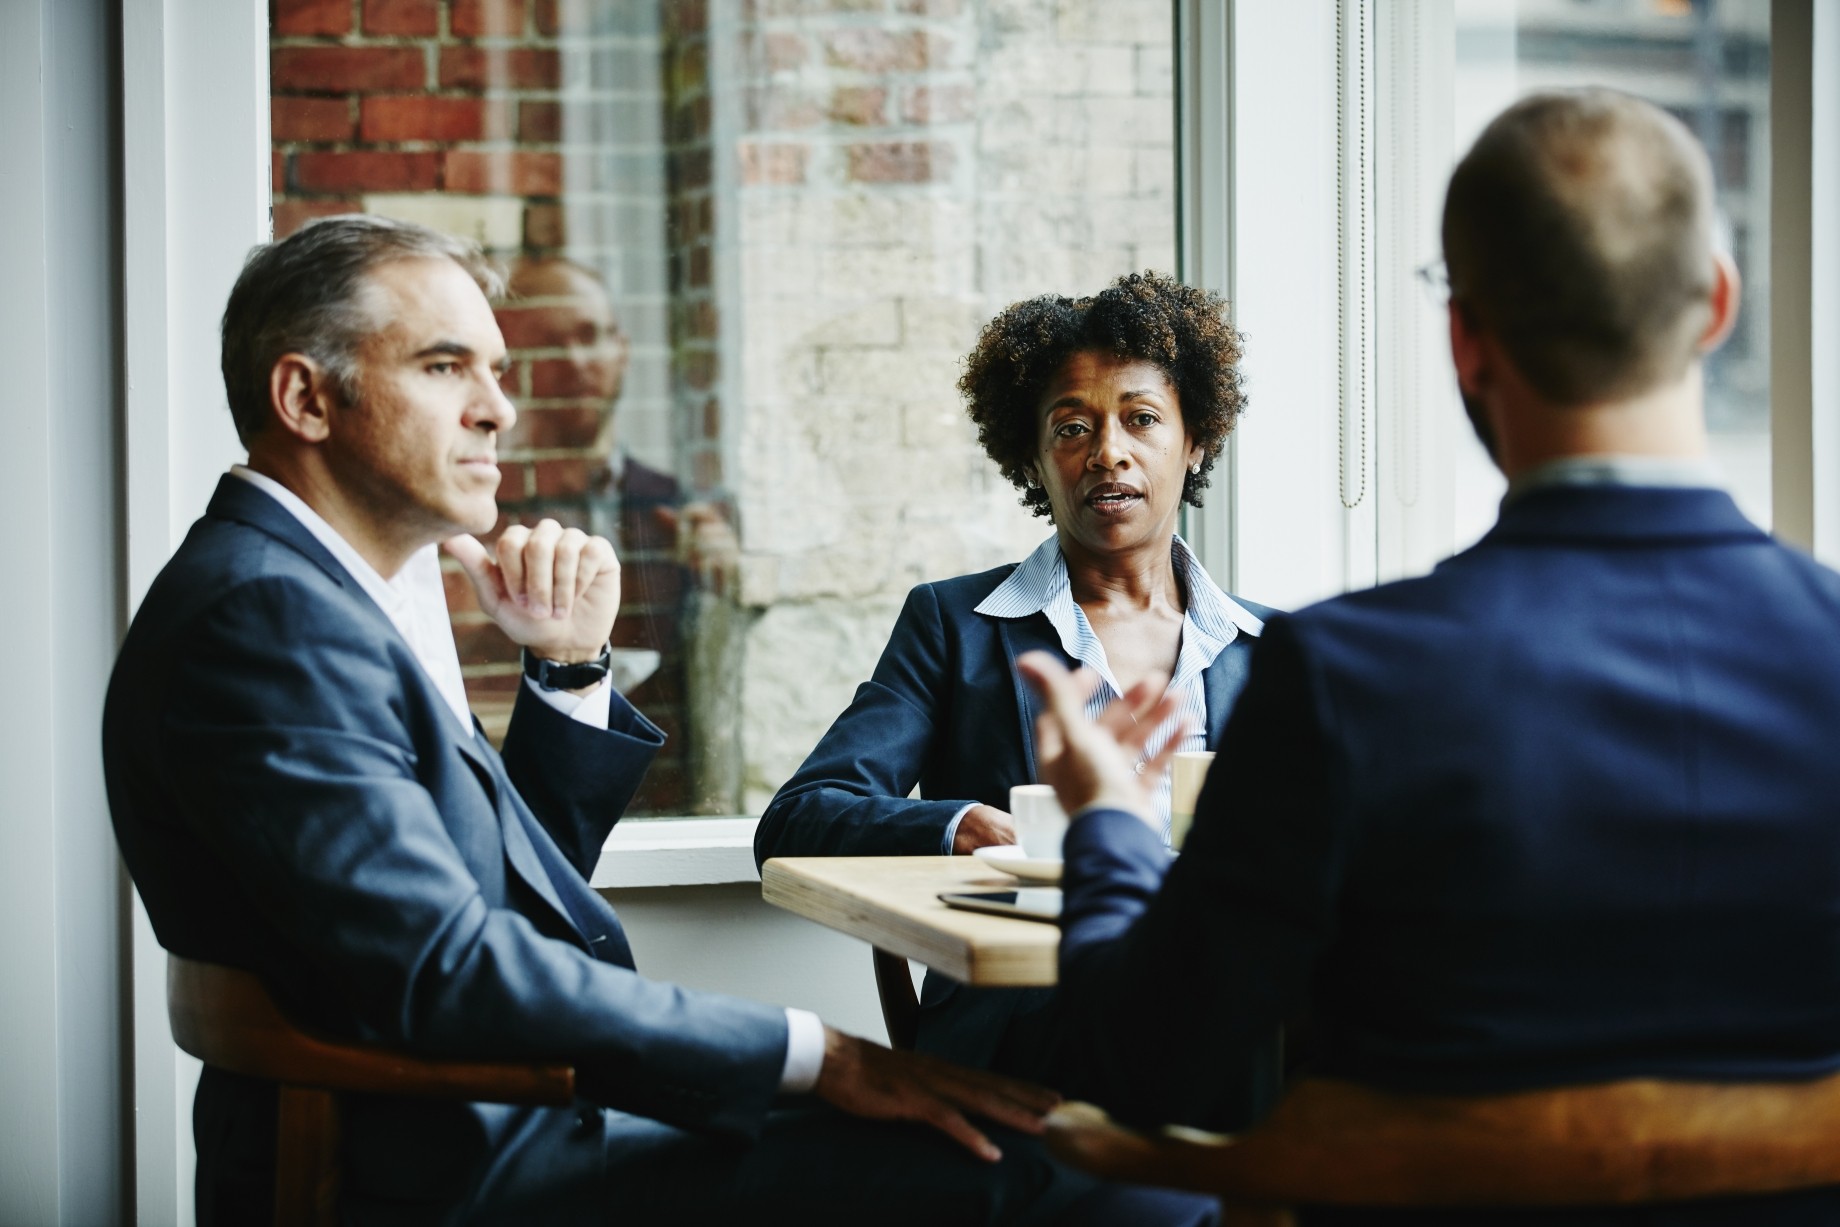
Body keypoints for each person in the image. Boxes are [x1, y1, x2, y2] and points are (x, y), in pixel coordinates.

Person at [101, 215, 1197, 1226]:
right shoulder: (269, 616)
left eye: (496, 371)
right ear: (305, 399)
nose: (499, 408)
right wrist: (822, 1056)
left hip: (506, 1123)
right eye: (445, 368)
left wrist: (569, 668)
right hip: (464, 1170)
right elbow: (451, 973)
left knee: (1058, 1142)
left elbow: (500, 904)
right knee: (1117, 1188)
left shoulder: (314, 597)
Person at [1020, 89, 1840, 1224]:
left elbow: (1147, 1068)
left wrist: (1109, 818)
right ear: (1715, 303)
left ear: (1464, 337)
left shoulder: (1341, 679)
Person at [755, 272, 1280, 1125]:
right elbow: (801, 816)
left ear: (1195, 440)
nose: (1108, 450)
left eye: (1142, 419)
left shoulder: (1274, 650)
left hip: (1224, 1016)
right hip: (1028, 1030)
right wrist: (964, 826)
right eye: (1072, 427)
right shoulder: (953, 625)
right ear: (1033, 458)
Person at [483, 256, 737, 811]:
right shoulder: (480, 512)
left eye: (592, 336)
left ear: (623, 348)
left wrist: (726, 591)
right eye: (551, 342)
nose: (576, 361)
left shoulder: (681, 510)